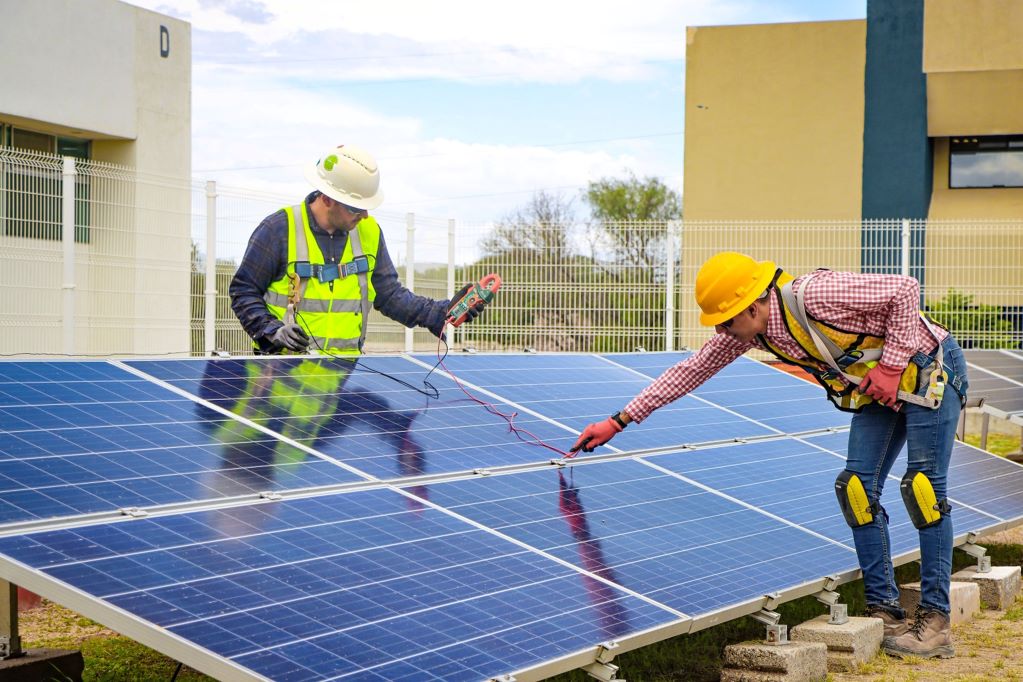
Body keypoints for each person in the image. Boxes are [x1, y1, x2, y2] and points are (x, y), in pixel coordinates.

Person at [570, 252, 968, 659]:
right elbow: (691, 370)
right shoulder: (752, 331)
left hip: (929, 368)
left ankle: (935, 620)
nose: (724, 331)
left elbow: (904, 289)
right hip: (879, 385)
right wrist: (619, 420)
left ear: (756, 305)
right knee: (855, 488)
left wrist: (891, 365)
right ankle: (884, 609)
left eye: (728, 320)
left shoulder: (814, 294)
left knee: (922, 489)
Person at [230, 143, 485, 355]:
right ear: (327, 198)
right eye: (355, 207)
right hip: (281, 378)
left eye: (367, 207)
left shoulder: (369, 232)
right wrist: (271, 330)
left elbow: (389, 295)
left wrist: (437, 313)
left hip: (342, 380)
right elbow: (244, 290)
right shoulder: (279, 229)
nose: (363, 215)